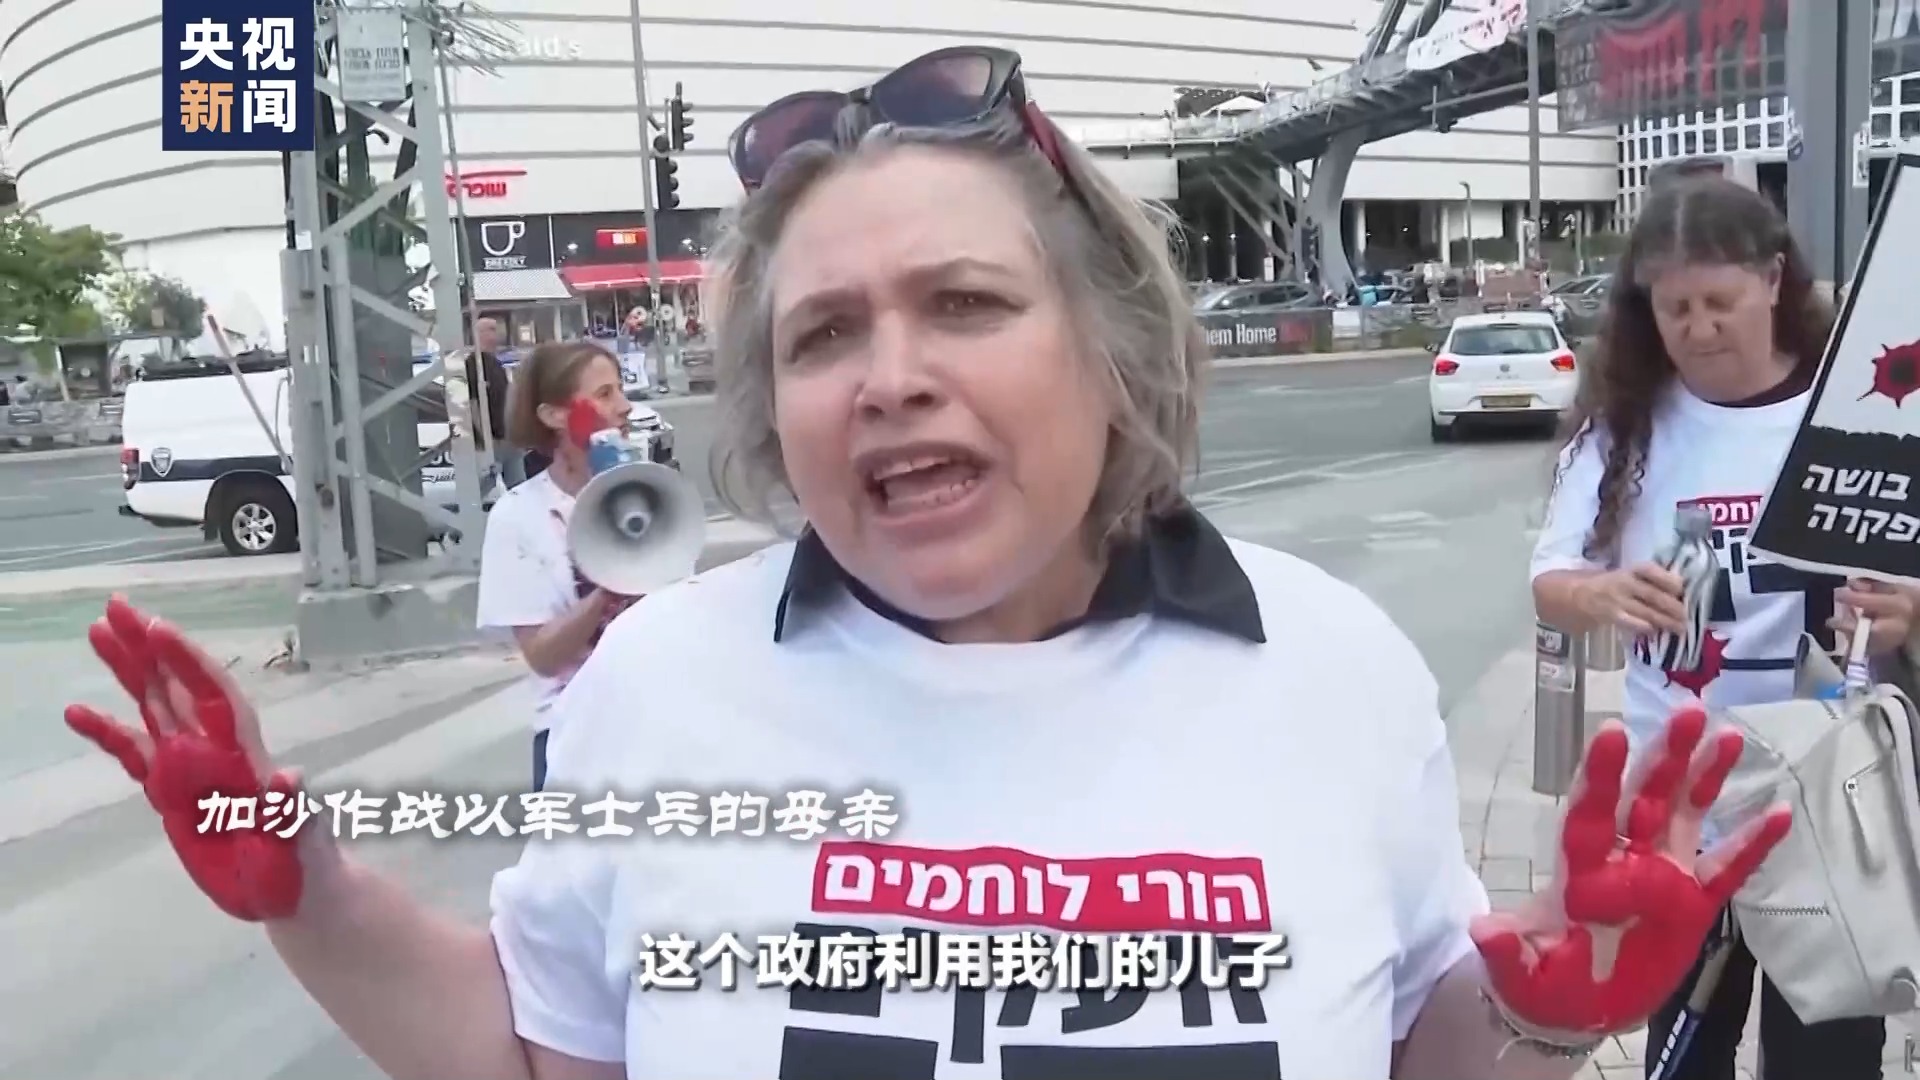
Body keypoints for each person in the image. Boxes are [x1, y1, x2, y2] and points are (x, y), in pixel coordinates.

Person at [65, 45, 1787, 1080]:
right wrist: (312, 896)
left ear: (1110, 353)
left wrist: (1555, 1015)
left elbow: (1424, 1050)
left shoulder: (1331, 665)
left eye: (965, 303)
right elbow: (545, 1054)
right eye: (824, 334)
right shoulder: (660, 682)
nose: (888, 375)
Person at [1529, 174, 1915, 1080]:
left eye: (1719, 302)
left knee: (1827, 1058)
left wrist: (1908, 612)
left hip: (1828, 805)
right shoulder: (1624, 428)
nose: (1700, 329)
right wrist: (1603, 594)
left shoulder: (1865, 413)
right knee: (1683, 1050)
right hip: (1679, 807)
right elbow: (1551, 582)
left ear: (1774, 281)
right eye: (1676, 309)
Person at [475, 340, 633, 791]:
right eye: (604, 394)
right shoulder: (520, 515)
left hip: (658, 720)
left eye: (620, 389)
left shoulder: (648, 494)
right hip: (575, 737)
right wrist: (610, 588)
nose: (624, 406)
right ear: (553, 415)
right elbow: (543, 656)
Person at [471, 317, 524, 489]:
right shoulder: (473, 365)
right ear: (479, 334)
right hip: (491, 440)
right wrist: (485, 438)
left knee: (518, 486)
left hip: (508, 438)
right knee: (484, 487)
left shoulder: (497, 364)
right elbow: (472, 405)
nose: (498, 334)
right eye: (492, 329)